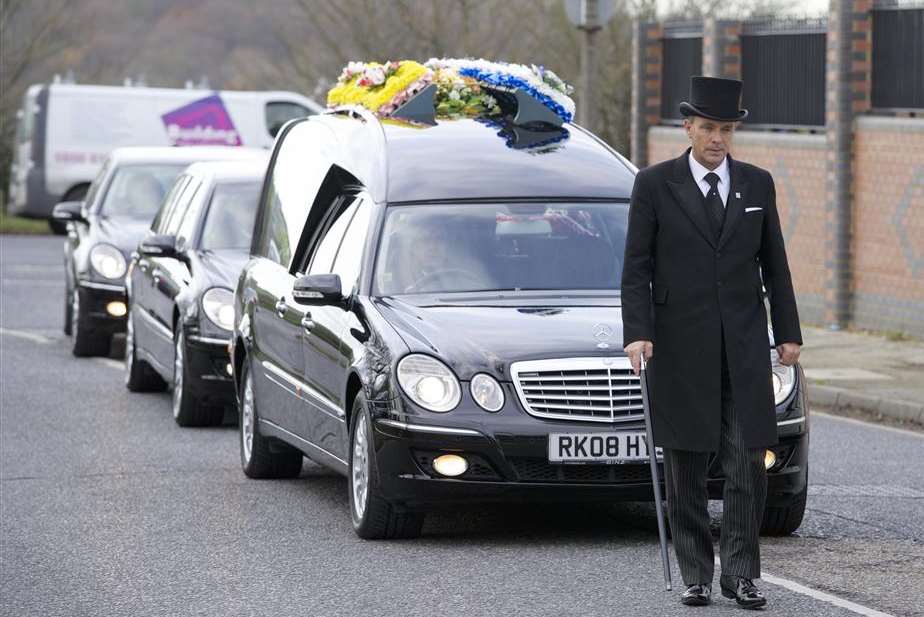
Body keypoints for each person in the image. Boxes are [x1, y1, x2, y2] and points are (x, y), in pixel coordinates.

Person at [621, 76, 802, 609]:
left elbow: (776, 263)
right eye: (708, 127)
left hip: (744, 347)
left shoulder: (757, 184)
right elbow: (637, 268)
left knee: (749, 461)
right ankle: (697, 573)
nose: (718, 138)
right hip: (678, 348)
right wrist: (638, 332)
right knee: (687, 468)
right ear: (689, 128)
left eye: (726, 128)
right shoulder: (654, 186)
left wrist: (788, 332)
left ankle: (742, 575)